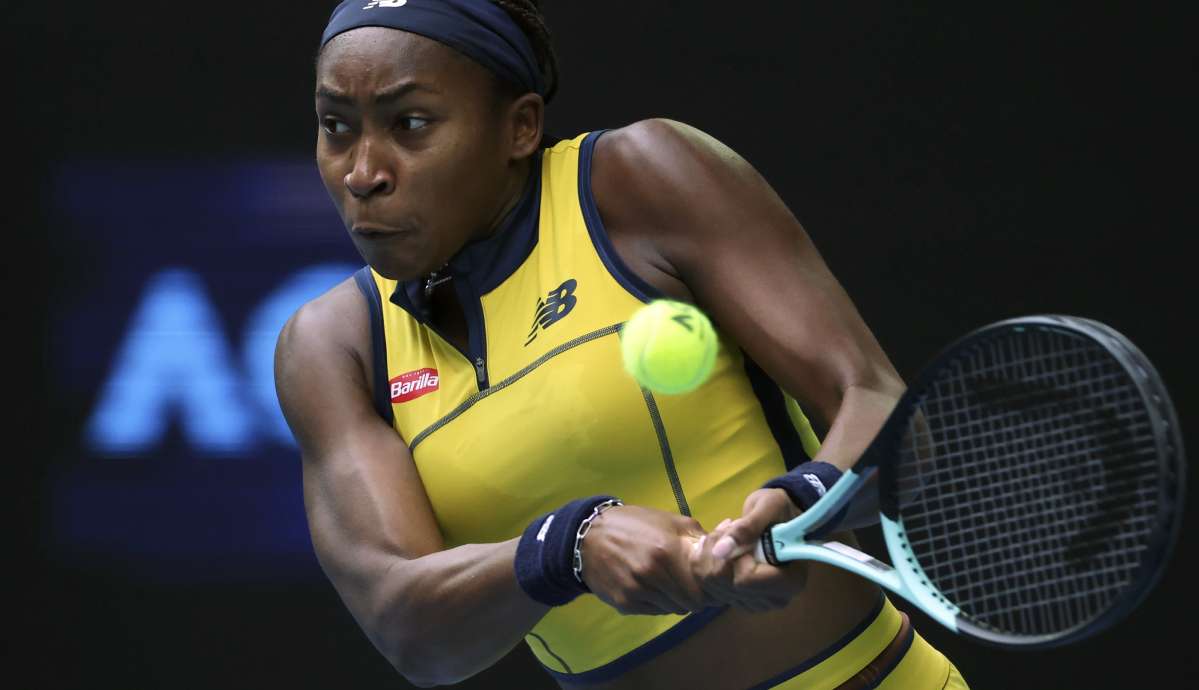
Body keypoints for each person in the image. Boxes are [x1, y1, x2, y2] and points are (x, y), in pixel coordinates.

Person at [274, 1, 971, 688]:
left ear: (519, 127)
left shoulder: (636, 182)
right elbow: (410, 632)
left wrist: (806, 500)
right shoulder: (335, 346)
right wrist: (567, 549)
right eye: (336, 128)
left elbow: (882, 407)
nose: (363, 173)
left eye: (412, 124)